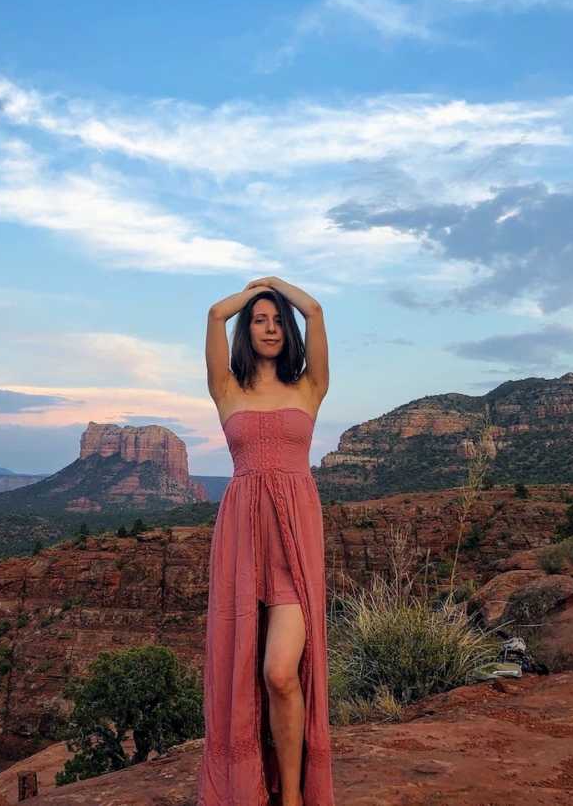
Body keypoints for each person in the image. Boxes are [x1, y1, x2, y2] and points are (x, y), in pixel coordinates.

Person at [196, 276, 336, 806]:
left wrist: (278, 287)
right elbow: (214, 314)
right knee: (241, 671)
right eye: (260, 319)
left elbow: (317, 311)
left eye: (277, 320)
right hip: (241, 540)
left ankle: (295, 795)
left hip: (295, 541)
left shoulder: (309, 388)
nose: (270, 328)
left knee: (280, 672)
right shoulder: (227, 390)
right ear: (246, 330)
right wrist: (250, 291)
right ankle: (252, 786)